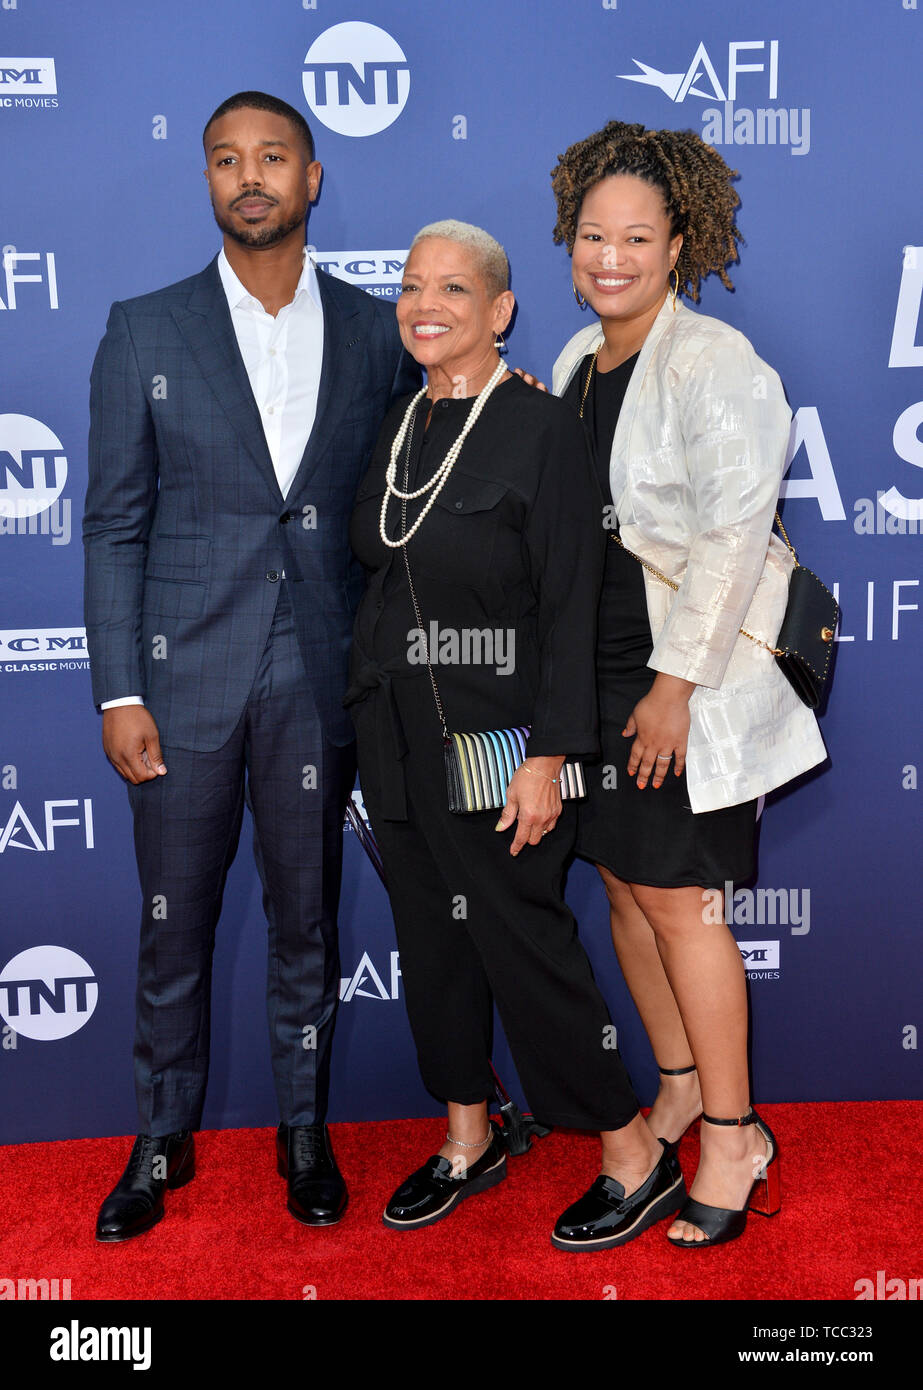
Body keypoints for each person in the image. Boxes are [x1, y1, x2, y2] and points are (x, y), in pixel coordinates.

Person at [83, 91, 420, 1241]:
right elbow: (115, 523)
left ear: (313, 177)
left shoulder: (378, 331)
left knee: (306, 927)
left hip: (316, 683)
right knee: (170, 927)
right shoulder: (145, 328)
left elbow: (430, 460)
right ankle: (158, 1137)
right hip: (179, 689)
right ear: (209, 181)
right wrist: (120, 686)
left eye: (272, 156)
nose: (249, 177)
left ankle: (303, 1129)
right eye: (227, 159)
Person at [346, 219, 686, 1250]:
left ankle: (629, 1150)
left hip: (499, 739)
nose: (423, 304)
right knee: (433, 946)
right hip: (393, 735)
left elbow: (572, 603)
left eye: (452, 288)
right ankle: (467, 1134)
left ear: (498, 312)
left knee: (522, 942)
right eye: (410, 286)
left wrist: (549, 754)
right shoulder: (400, 420)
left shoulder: (538, 429)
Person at [549, 121, 828, 1246]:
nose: (608, 256)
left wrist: (670, 687)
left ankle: (729, 1132)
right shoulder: (575, 361)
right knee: (622, 890)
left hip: (687, 679)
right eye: (589, 235)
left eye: (634, 237)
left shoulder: (714, 363)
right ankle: (671, 1085)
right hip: (600, 673)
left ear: (678, 245)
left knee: (683, 903)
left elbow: (728, 535)